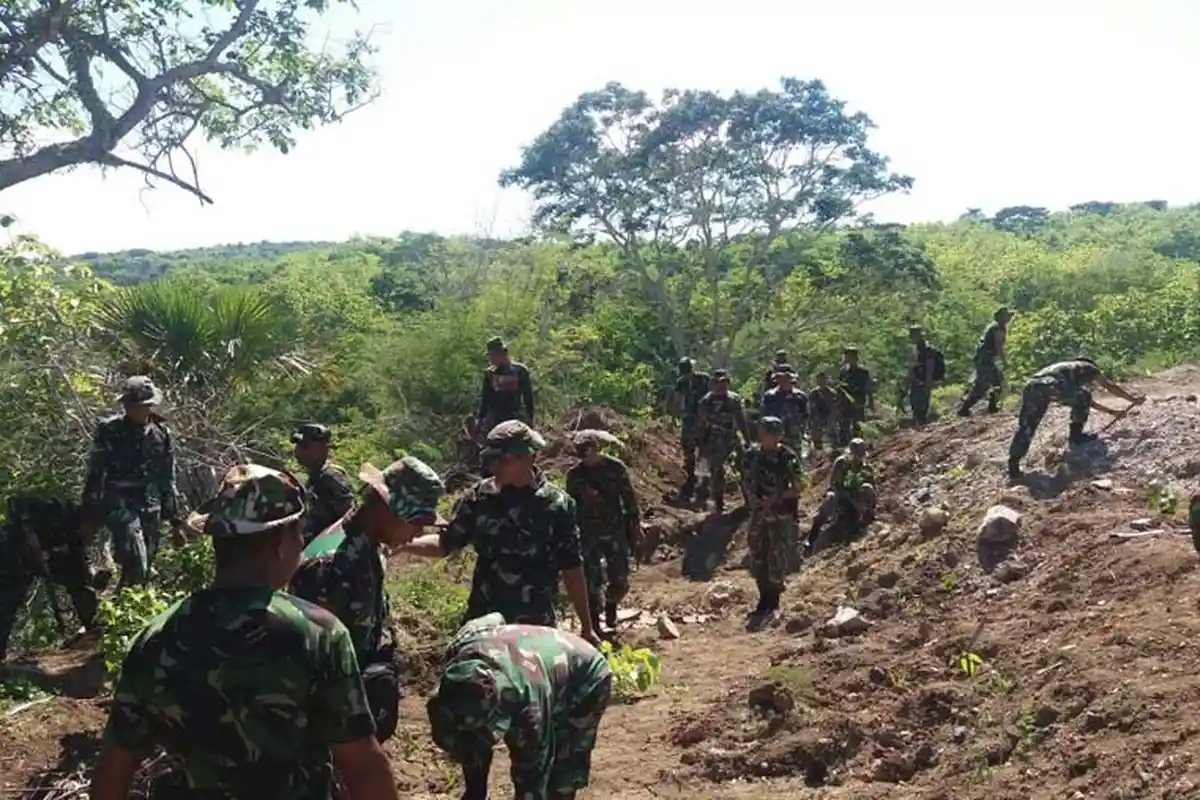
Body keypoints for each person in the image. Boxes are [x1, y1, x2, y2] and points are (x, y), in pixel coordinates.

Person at [90, 464, 398, 800]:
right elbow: (362, 767)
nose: (301, 546)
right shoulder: (318, 634)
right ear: (280, 542)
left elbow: (113, 771)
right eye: (298, 534)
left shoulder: (157, 637)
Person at [397, 421, 600, 644]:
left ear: (528, 458)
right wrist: (402, 544)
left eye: (502, 461)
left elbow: (571, 567)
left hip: (533, 627)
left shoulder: (556, 505)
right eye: (492, 460)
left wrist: (587, 626)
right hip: (484, 624)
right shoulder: (480, 497)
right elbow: (446, 543)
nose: (494, 468)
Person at [290, 456, 446, 743]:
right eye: (417, 521)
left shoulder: (370, 545)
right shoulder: (331, 564)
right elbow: (308, 666)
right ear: (387, 510)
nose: (419, 533)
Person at [426, 612, 612, 800]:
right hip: (532, 657)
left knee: (560, 775)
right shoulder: (458, 657)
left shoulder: (528, 710)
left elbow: (532, 777)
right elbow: (494, 618)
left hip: (583, 677)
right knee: (474, 747)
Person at [81, 376, 182, 588]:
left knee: (142, 571)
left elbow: (167, 477)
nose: (133, 409)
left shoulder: (161, 434)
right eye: (129, 405)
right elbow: (96, 473)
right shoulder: (109, 430)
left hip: (150, 504)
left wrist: (175, 521)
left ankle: (128, 609)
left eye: (139, 406)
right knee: (137, 561)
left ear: (150, 406)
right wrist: (89, 514)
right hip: (119, 502)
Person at [1007, 357, 1145, 482]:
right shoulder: (1088, 367)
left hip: (1032, 385)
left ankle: (1013, 466)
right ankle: (1076, 436)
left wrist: (1111, 412)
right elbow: (1109, 386)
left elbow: (1085, 401)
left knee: (1027, 425)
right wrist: (1132, 399)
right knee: (1084, 394)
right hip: (1050, 385)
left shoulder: (1065, 370)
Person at [0, 495, 102, 663]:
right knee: (7, 602)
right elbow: (14, 501)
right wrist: (29, 534)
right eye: (93, 528)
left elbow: (79, 568)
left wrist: (91, 579)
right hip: (9, 553)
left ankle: (92, 627)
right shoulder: (59, 510)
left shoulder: (77, 540)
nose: (93, 533)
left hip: (39, 560)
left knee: (79, 580)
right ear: (85, 519)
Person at [564, 429, 642, 632]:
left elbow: (629, 499)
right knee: (590, 579)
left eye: (587, 451)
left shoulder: (615, 469)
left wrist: (635, 526)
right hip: (588, 532)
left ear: (596, 449)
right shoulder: (574, 476)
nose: (585, 456)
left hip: (614, 529)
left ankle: (611, 605)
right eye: (580, 452)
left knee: (620, 577)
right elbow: (570, 506)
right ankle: (594, 623)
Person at [738, 417, 802, 618]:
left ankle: (772, 600)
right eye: (766, 433)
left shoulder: (787, 457)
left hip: (781, 514)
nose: (768, 438)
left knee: (777, 555)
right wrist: (753, 500)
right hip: (759, 513)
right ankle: (763, 595)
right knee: (757, 553)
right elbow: (745, 480)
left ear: (779, 435)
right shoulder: (752, 455)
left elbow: (799, 487)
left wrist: (776, 498)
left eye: (773, 434)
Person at [804, 438, 876, 551]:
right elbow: (834, 484)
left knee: (868, 488)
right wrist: (849, 499)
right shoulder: (841, 463)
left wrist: (866, 504)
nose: (858, 458)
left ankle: (865, 520)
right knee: (830, 498)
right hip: (840, 494)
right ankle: (812, 536)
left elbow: (871, 487)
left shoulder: (866, 468)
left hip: (856, 495)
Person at [695, 370, 750, 514]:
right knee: (717, 472)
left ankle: (749, 500)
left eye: (725, 383)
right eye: (719, 383)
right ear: (713, 384)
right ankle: (718, 503)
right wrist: (701, 444)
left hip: (732, 439)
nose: (722, 386)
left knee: (744, 467)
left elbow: (741, 420)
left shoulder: (734, 399)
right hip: (715, 440)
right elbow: (702, 424)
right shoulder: (706, 401)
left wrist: (747, 439)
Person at [291, 423, 355, 544]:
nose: (297, 451)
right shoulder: (316, 476)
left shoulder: (331, 477)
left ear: (322, 448)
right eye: (297, 446)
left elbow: (349, 517)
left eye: (305, 446)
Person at [958, 306, 1014, 416]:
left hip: (985, 359)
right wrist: (1005, 362)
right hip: (986, 360)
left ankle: (992, 407)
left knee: (998, 382)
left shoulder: (994, 327)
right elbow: (998, 346)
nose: (1009, 318)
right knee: (982, 386)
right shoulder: (998, 328)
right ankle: (965, 409)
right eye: (1007, 316)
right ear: (1001, 317)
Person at [476, 336, 535, 436]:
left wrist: (530, 418)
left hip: (516, 419)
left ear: (502, 353)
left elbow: (528, 398)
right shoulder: (490, 374)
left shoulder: (520, 371)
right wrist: (481, 420)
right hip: (495, 422)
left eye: (493, 356)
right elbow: (485, 400)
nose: (491, 359)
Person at [672, 357, 711, 499]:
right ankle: (695, 480)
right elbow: (677, 401)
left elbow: (676, 402)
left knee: (700, 452)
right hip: (694, 419)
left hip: (699, 419)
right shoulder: (684, 382)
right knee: (694, 452)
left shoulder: (702, 379)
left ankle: (701, 483)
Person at [760, 365, 809, 453]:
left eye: (787, 377)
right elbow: (764, 416)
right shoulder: (770, 396)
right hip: (774, 436)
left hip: (794, 437)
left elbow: (806, 416)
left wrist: (803, 432)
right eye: (780, 377)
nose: (784, 380)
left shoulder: (800, 396)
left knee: (794, 460)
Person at [835, 348, 874, 445]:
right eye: (847, 356)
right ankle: (844, 448)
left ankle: (859, 449)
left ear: (856, 358)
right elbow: (840, 389)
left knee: (858, 427)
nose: (848, 358)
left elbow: (868, 387)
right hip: (845, 404)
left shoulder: (863, 372)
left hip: (858, 403)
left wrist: (871, 402)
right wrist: (837, 405)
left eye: (851, 356)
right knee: (844, 428)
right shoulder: (843, 372)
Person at [906, 326, 941, 426]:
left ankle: (922, 427)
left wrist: (927, 385)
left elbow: (930, 367)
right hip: (916, 381)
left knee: (921, 409)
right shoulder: (916, 349)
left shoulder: (927, 349)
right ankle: (919, 426)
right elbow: (912, 368)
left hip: (922, 383)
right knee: (915, 407)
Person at [808, 371, 839, 456]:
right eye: (819, 380)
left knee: (833, 437)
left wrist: (831, 418)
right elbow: (811, 408)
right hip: (817, 418)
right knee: (817, 438)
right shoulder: (813, 393)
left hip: (829, 417)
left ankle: (834, 453)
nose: (821, 382)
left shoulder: (832, 393)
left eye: (823, 380)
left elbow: (835, 406)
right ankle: (818, 455)